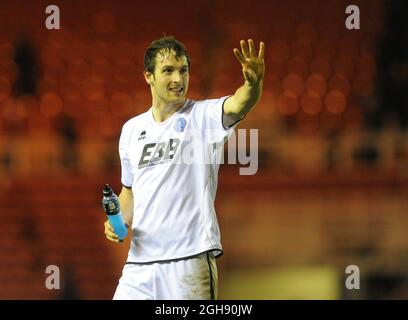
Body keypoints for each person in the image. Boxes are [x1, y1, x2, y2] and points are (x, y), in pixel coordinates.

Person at [104, 36, 265, 300]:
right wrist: (118, 220)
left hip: (189, 261)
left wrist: (253, 83)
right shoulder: (131, 130)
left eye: (183, 70)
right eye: (168, 71)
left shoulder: (204, 117)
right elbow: (129, 192)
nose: (178, 79)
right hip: (140, 265)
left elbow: (239, 103)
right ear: (148, 76)